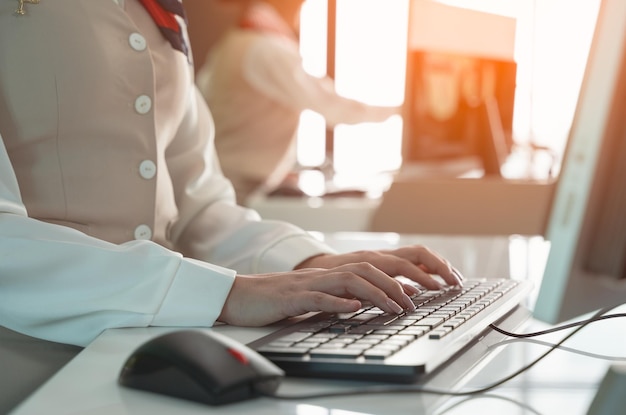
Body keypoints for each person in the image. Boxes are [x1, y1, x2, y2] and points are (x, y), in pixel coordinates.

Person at [0, 0, 463, 351]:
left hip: (159, 345)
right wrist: (225, 293)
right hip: (31, 362)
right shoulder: (260, 47)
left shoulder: (158, 13)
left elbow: (197, 206)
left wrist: (309, 264)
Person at [194, 0, 399, 204]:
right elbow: (330, 106)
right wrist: (396, 110)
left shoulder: (235, 41)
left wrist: (280, 171)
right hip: (237, 188)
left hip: (223, 177)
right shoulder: (267, 49)